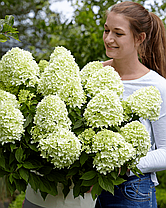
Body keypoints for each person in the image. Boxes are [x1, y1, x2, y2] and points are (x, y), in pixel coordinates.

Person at [95, 1, 166, 208]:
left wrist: (122, 165)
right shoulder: (94, 74)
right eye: (106, 30)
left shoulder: (158, 86)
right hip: (89, 188)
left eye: (118, 33)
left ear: (139, 38)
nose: (108, 39)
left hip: (132, 190)